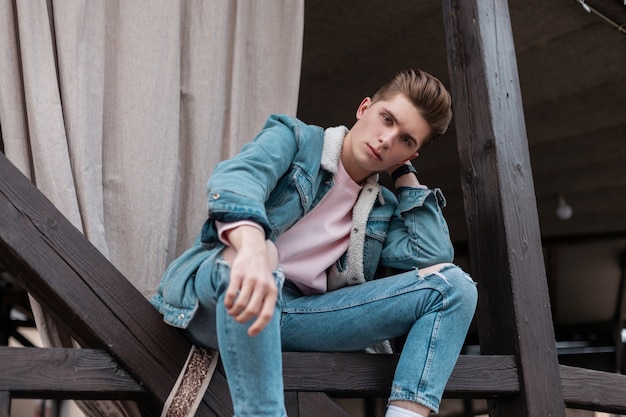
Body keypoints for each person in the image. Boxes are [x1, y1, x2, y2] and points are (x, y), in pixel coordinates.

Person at [150, 68, 478, 417]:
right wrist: (251, 249)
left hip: (303, 318)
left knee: (454, 287)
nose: (386, 140)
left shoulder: (383, 208)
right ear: (363, 108)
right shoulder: (296, 139)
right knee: (264, 251)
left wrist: (403, 174)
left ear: (410, 155)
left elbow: (432, 253)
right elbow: (238, 179)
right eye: (386, 119)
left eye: (406, 140)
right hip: (226, 292)